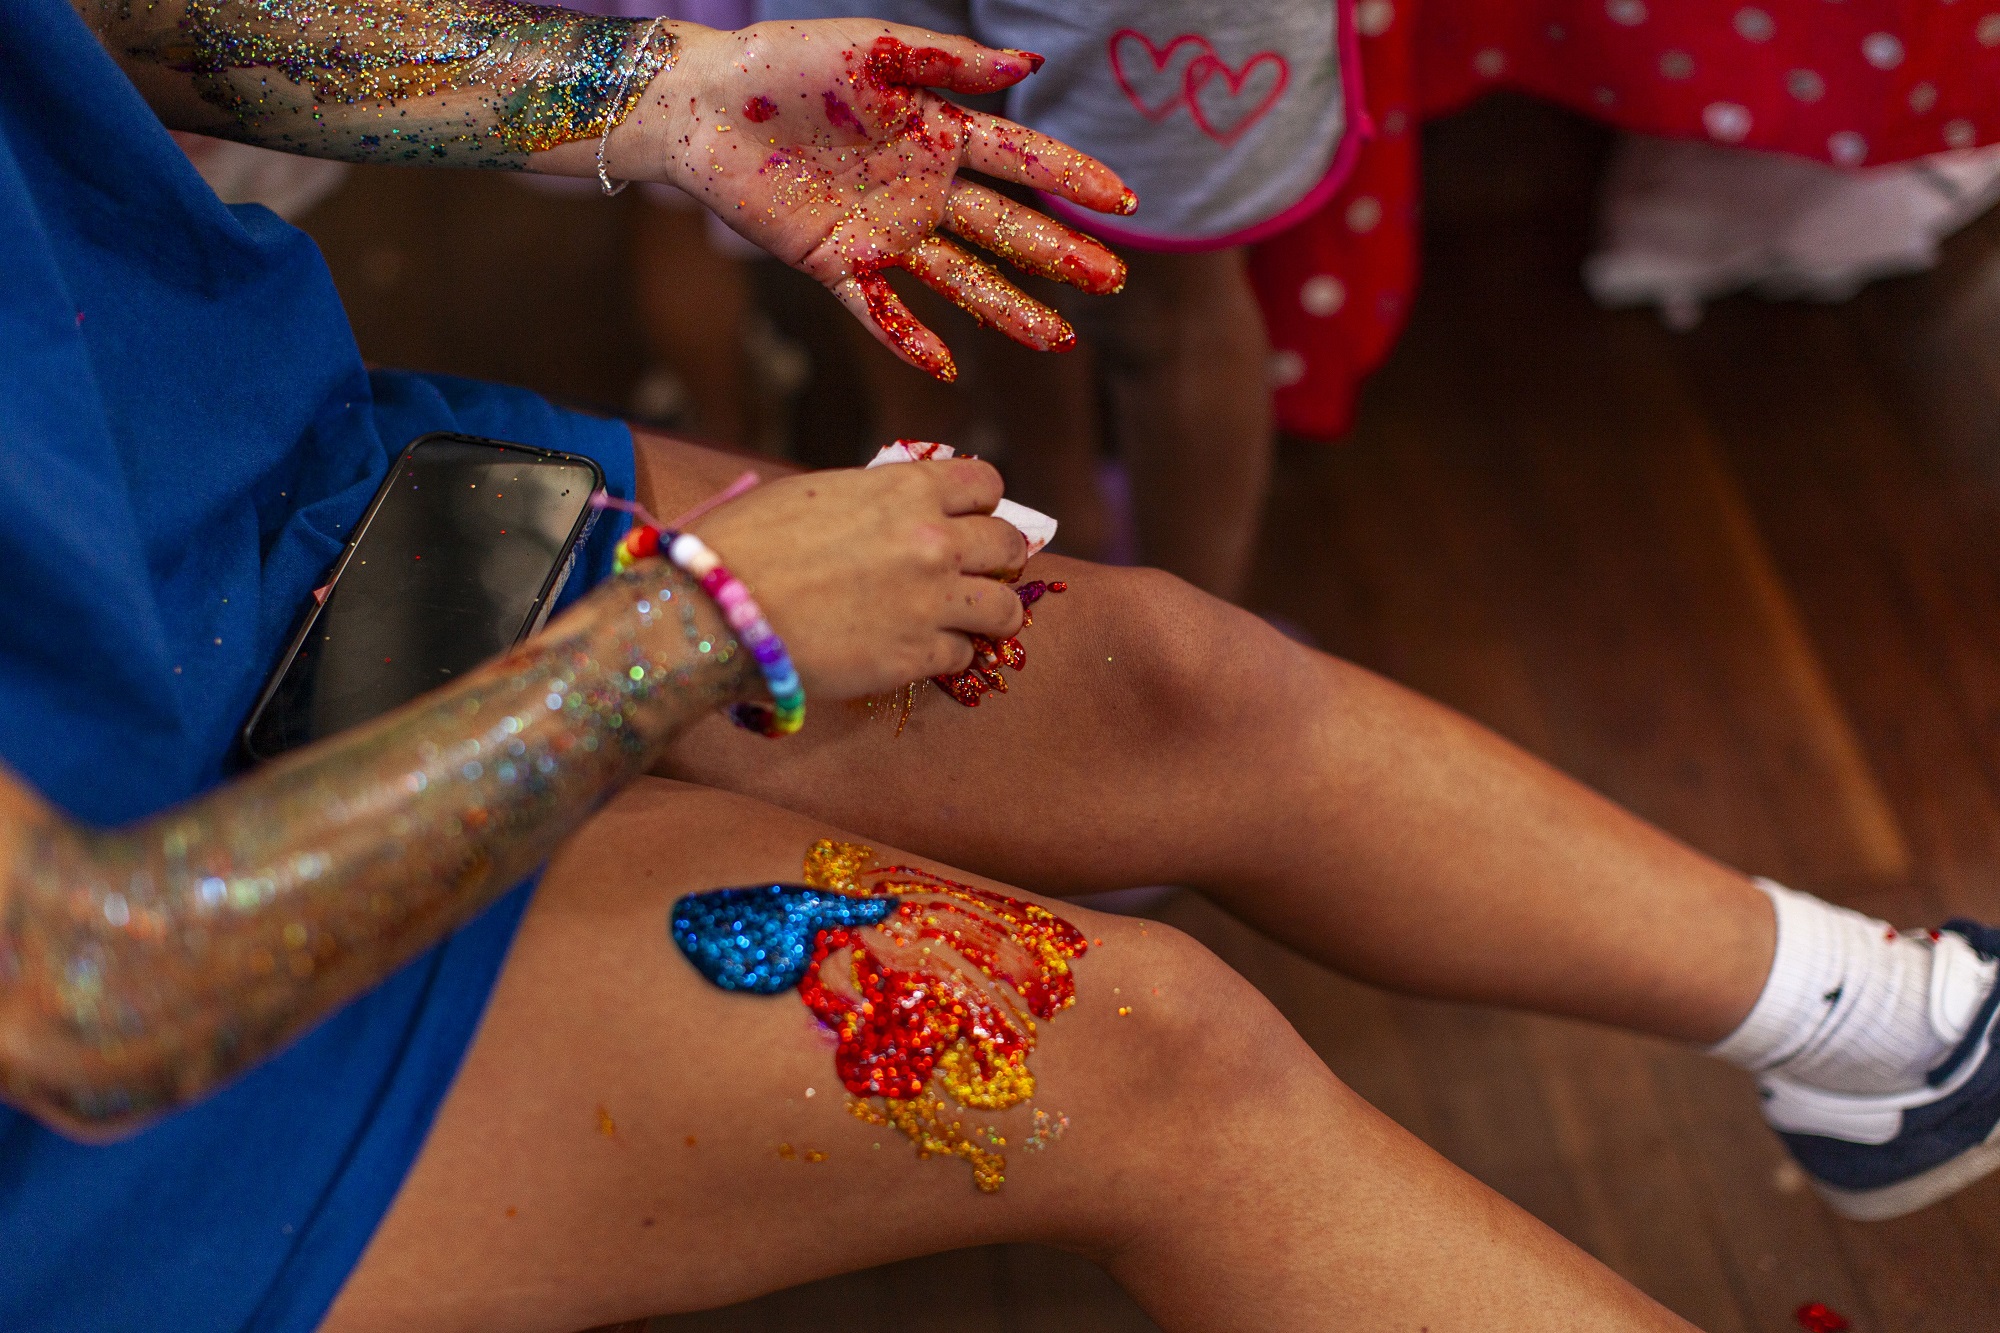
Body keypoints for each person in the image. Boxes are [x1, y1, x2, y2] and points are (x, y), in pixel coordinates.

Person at [4, 5, 1997, 1333]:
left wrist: (650, 98)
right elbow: (88, 993)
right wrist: (695, 629)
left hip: (227, 515)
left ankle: (1888, 1041)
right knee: (1137, 1055)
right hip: (120, 1060)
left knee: (1158, 684)